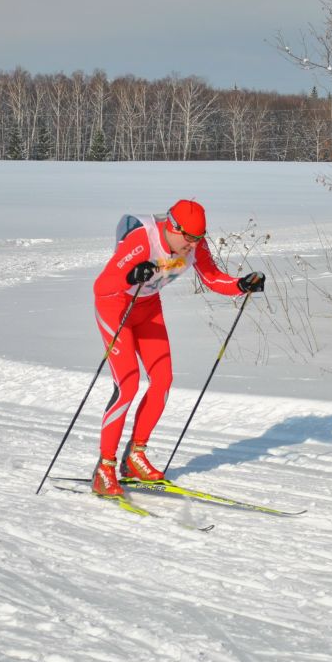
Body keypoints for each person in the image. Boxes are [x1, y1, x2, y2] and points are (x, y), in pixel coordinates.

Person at [91, 199, 265, 496]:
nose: (193, 245)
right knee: (128, 385)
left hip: (146, 308)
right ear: (172, 227)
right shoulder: (142, 239)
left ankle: (135, 457)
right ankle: (104, 468)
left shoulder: (195, 245)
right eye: (188, 238)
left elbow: (212, 277)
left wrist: (241, 284)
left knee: (162, 381)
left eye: (199, 238)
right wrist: (131, 275)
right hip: (115, 307)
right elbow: (102, 285)